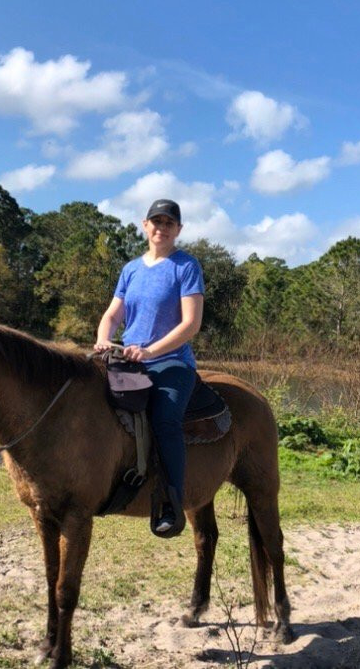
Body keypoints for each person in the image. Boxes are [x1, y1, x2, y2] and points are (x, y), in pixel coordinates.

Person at [94, 199, 204, 533]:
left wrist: (151, 350)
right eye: (156, 221)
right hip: (129, 361)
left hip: (171, 364)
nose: (161, 228)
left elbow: (191, 324)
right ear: (144, 226)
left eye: (169, 223)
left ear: (178, 230)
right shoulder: (131, 269)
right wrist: (103, 338)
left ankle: (171, 503)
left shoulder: (185, 267)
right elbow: (114, 314)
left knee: (165, 420)